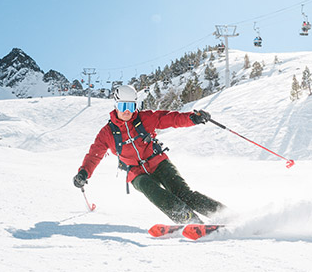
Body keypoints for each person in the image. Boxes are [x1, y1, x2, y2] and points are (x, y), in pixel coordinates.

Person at [73, 84, 226, 223]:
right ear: (116, 106)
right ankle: (187, 218)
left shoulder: (145, 118)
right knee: (151, 189)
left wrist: (192, 118)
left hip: (158, 162)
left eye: (131, 106)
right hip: (136, 172)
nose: (127, 111)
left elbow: (171, 118)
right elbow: (94, 155)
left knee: (183, 193)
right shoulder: (107, 133)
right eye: (123, 106)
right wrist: (83, 173)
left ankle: (224, 214)